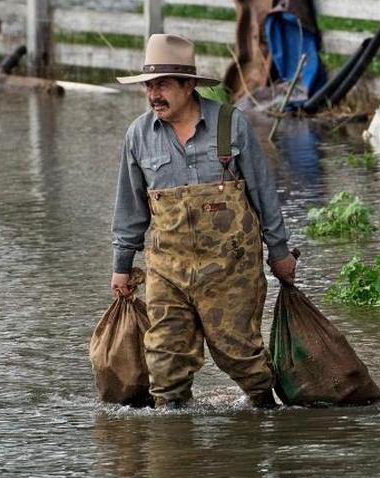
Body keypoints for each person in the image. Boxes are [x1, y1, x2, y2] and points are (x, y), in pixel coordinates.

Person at [109, 33, 296, 410]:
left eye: (162, 85)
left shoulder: (231, 125)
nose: (153, 95)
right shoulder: (138, 136)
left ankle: (266, 419)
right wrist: (121, 267)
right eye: (149, 86)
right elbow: (130, 209)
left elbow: (263, 194)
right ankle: (176, 454)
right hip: (167, 274)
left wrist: (279, 252)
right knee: (164, 366)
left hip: (231, 271)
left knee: (242, 359)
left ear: (189, 85)